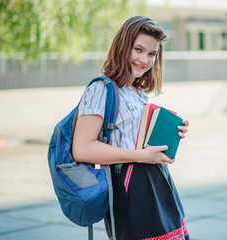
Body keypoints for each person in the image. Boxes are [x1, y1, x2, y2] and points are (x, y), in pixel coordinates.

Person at [72, 16, 190, 240]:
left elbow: (136, 141)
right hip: (130, 188)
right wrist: (141, 156)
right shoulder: (101, 89)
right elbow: (82, 148)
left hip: (158, 182)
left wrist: (170, 134)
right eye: (138, 49)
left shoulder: (138, 92)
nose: (144, 60)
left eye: (152, 54)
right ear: (122, 46)